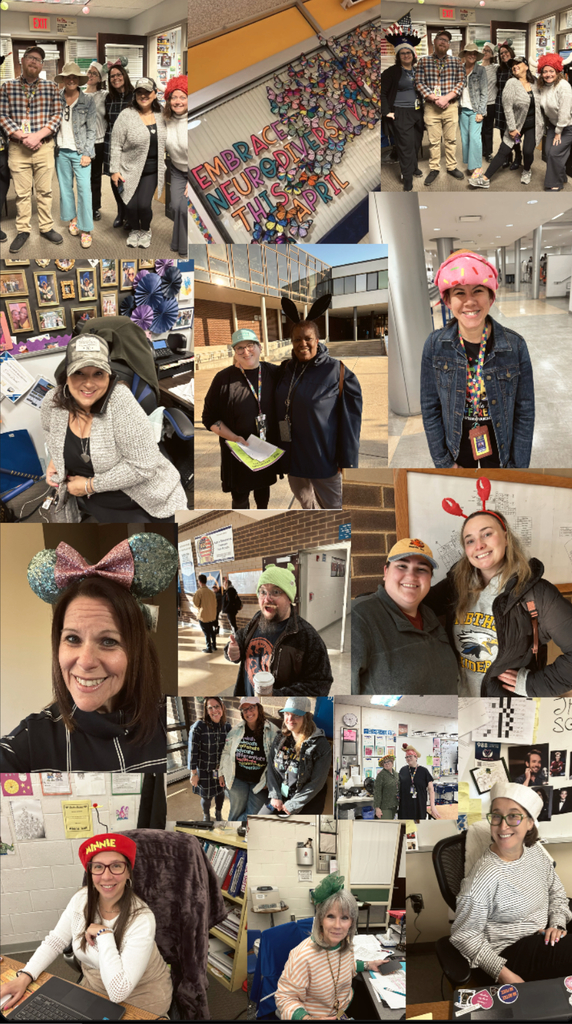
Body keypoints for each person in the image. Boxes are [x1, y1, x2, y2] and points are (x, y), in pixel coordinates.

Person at [0, 534, 177, 771]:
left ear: (137, 651)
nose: (85, 661)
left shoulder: (166, 719)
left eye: (108, 641)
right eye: (72, 638)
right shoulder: (31, 741)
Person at [424, 477, 572, 697]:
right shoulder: (456, 585)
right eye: (470, 540)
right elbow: (412, 604)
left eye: (487, 533)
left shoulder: (537, 592)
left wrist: (531, 684)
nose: (479, 545)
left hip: (506, 711)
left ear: (505, 536)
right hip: (459, 701)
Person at [0, 834, 172, 1015]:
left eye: (116, 866)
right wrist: (25, 976)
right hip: (94, 987)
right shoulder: (81, 899)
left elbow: (119, 991)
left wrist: (104, 935)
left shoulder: (141, 918)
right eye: (98, 867)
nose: (106, 876)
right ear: (90, 872)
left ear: (128, 871)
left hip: (141, 996)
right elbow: (56, 940)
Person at [41, 334, 186, 522]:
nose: (89, 383)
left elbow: (144, 467)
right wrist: (56, 459)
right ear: (66, 376)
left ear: (109, 375)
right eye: (79, 373)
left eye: (98, 373)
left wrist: (89, 486)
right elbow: (51, 434)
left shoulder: (120, 402)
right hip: (98, 500)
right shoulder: (52, 403)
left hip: (144, 499)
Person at [420, 250, 535, 469]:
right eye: (459, 292)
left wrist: (517, 469)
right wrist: (444, 463)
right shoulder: (435, 346)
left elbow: (525, 412)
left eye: (478, 291)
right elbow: (430, 408)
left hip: (502, 451)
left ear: (491, 296)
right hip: (457, 450)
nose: (470, 301)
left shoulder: (515, 346)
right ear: (447, 300)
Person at [450, 783, 572, 983]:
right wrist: (505, 975)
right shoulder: (483, 878)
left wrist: (557, 924)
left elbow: (556, 892)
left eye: (514, 816)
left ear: (530, 823)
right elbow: (464, 935)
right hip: (509, 952)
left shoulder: (535, 852)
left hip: (542, 933)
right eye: (496, 816)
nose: (503, 825)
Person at [275, 295, 363, 510]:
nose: (302, 344)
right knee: (307, 504)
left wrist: (348, 461)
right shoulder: (285, 369)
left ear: (317, 340)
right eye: (297, 339)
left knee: (333, 509)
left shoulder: (337, 371)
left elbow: (351, 421)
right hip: (294, 459)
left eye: (308, 338)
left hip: (323, 460)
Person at [351, 538, 459, 694]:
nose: (411, 576)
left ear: (429, 578)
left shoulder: (429, 615)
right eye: (402, 566)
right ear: (386, 572)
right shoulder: (359, 618)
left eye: (422, 569)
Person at [275, 872, 386, 1021]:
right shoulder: (302, 956)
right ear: (320, 919)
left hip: (346, 1005)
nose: (338, 926)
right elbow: (284, 999)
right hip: (317, 1016)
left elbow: (346, 967)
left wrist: (368, 964)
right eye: (331, 916)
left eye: (344, 918)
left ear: (352, 922)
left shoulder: (346, 944)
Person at [202, 329, 283, 509]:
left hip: (265, 450)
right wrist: (234, 438)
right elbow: (208, 418)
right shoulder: (223, 379)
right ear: (235, 352)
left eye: (250, 346)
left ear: (260, 347)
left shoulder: (273, 372)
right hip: (238, 454)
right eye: (240, 348)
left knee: (263, 494)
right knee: (239, 499)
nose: (246, 352)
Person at [225, 562, 333, 697]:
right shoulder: (258, 618)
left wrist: (274, 696)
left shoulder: (307, 637)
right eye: (262, 591)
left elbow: (320, 685)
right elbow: (240, 639)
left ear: (289, 598)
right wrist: (234, 650)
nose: (267, 599)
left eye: (275, 592)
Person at [0, 45, 63, 253]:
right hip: (18, 149)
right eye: (30, 57)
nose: (34, 61)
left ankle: (45, 227)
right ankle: (23, 230)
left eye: (38, 59)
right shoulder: (7, 87)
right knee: (22, 193)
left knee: (45, 191)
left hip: (44, 147)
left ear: (42, 65)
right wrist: (22, 136)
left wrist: (37, 135)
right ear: (22, 60)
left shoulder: (51, 87)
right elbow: (2, 115)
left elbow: (56, 115)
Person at [110, 77, 166, 249]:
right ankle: (135, 229)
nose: (143, 96)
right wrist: (114, 170)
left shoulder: (162, 114)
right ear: (135, 95)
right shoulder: (126, 115)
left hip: (151, 169)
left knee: (143, 205)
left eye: (147, 92)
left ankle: (146, 229)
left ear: (155, 94)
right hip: (129, 168)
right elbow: (116, 144)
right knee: (130, 205)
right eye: (139, 92)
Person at [470, 57, 542, 189]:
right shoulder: (511, 83)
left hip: (533, 125)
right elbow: (507, 107)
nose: (514, 67)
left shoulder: (535, 82)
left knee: (528, 151)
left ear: (526, 66)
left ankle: (526, 170)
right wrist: (512, 128)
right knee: (504, 150)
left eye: (517, 64)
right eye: (512, 66)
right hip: (517, 125)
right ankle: (485, 178)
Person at [260, 697, 331, 815]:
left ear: (306, 718)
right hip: (281, 796)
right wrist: (275, 795)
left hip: (306, 801)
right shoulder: (280, 738)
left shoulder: (320, 745)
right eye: (287, 714)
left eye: (296, 715)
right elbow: (272, 768)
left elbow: (317, 783)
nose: (290, 719)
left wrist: (293, 804)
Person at [414, 29, 466, 186]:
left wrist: (446, 98)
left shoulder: (456, 62)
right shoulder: (423, 61)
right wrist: (435, 98)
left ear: (449, 45)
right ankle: (434, 168)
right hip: (431, 108)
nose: (443, 42)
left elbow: (461, 82)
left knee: (451, 140)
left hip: (450, 106)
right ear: (434, 41)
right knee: (434, 141)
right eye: (440, 39)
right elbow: (419, 83)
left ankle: (451, 167)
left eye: (446, 40)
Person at [54, 61, 95, 248]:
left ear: (79, 79)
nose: (71, 79)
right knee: (65, 188)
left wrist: (87, 153)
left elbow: (92, 130)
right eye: (67, 76)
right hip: (61, 151)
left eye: (74, 76)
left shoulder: (88, 100)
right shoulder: (56, 97)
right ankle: (72, 219)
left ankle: (86, 229)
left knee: (84, 189)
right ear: (63, 79)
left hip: (81, 153)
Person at [218, 696, 278, 820]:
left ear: (259, 708)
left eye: (251, 707)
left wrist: (270, 781)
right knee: (235, 811)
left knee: (253, 816)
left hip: (260, 783)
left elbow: (278, 760)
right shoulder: (236, 731)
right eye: (245, 710)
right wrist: (221, 773)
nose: (248, 712)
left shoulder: (272, 731)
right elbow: (226, 752)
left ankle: (238, 827)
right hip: (238, 779)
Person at [380, 22, 424, 191]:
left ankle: (413, 167)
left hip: (417, 111)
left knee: (415, 143)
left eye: (409, 52)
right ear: (398, 55)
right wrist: (386, 112)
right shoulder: (391, 72)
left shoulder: (418, 70)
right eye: (403, 53)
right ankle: (407, 177)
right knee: (405, 145)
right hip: (400, 112)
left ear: (413, 54)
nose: (406, 55)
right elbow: (382, 94)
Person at [188, 697, 231, 821]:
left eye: (217, 706)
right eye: (210, 708)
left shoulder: (227, 727)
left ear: (222, 707)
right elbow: (192, 751)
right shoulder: (199, 727)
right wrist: (193, 773)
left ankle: (218, 814)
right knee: (206, 797)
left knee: (220, 793)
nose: (214, 710)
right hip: (204, 770)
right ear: (206, 711)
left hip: (220, 771)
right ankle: (206, 816)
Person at [104, 59, 134, 229]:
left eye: (118, 74)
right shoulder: (109, 98)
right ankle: (120, 212)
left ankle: (130, 214)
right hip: (112, 143)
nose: (115, 78)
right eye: (112, 76)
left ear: (124, 75)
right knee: (115, 179)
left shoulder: (136, 95)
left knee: (129, 179)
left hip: (130, 144)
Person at [537, 53, 572, 192]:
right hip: (553, 124)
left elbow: (565, 111)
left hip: (567, 126)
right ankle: (562, 176)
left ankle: (555, 183)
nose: (548, 74)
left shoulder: (564, 86)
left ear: (558, 71)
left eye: (551, 71)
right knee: (547, 151)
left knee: (554, 153)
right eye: (545, 71)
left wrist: (559, 132)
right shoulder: (543, 86)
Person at [163, 75, 189, 256]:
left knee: (185, 208)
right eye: (174, 97)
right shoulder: (166, 119)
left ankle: (186, 247)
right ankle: (178, 244)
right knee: (175, 206)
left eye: (182, 97)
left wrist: (193, 183)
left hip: (194, 172)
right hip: (177, 170)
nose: (177, 101)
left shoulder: (193, 119)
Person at [458, 43, 487, 178]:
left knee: (475, 138)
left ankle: (477, 167)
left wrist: (481, 111)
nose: (472, 55)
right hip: (462, 109)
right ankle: (470, 164)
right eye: (469, 52)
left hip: (475, 109)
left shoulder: (481, 70)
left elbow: (484, 93)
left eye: (474, 53)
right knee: (465, 139)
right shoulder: (459, 69)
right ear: (464, 54)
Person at [84, 61, 107, 222]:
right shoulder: (79, 94)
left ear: (100, 78)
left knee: (95, 176)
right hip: (83, 143)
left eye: (94, 73)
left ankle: (94, 208)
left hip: (99, 142)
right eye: (89, 72)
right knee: (82, 177)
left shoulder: (105, 95)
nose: (90, 75)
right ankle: (84, 206)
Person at [494, 42, 521, 171]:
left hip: (513, 104)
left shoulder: (517, 66)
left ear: (511, 52)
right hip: (500, 102)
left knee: (513, 131)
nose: (503, 55)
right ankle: (507, 156)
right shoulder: (499, 69)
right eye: (501, 53)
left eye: (506, 52)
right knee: (502, 131)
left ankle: (518, 156)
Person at [398, 745, 441, 820]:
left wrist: (432, 806)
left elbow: (431, 790)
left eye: (410, 756)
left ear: (416, 757)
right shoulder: (403, 770)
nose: (408, 758)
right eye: (406, 757)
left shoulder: (424, 771)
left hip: (419, 806)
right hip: (405, 807)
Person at [480, 42, 498, 161]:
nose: (485, 52)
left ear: (492, 54)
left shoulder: (496, 68)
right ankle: (481, 150)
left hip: (491, 103)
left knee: (488, 129)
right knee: (479, 129)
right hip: (479, 103)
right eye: (484, 50)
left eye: (488, 51)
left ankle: (489, 153)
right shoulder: (477, 67)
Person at [192, 575, 218, 653]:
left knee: (206, 632)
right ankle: (214, 646)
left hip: (203, 616)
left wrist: (201, 606)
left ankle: (208, 647)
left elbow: (196, 604)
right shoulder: (211, 592)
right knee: (211, 631)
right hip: (212, 615)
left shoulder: (199, 592)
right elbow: (215, 604)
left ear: (199, 582)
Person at [374, 754, 399, 819]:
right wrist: (377, 808)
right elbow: (377, 792)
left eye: (389, 761)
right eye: (384, 762)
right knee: (386, 825)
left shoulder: (396, 774)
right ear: (382, 765)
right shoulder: (381, 775)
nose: (387, 763)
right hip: (385, 806)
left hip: (395, 805)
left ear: (392, 762)